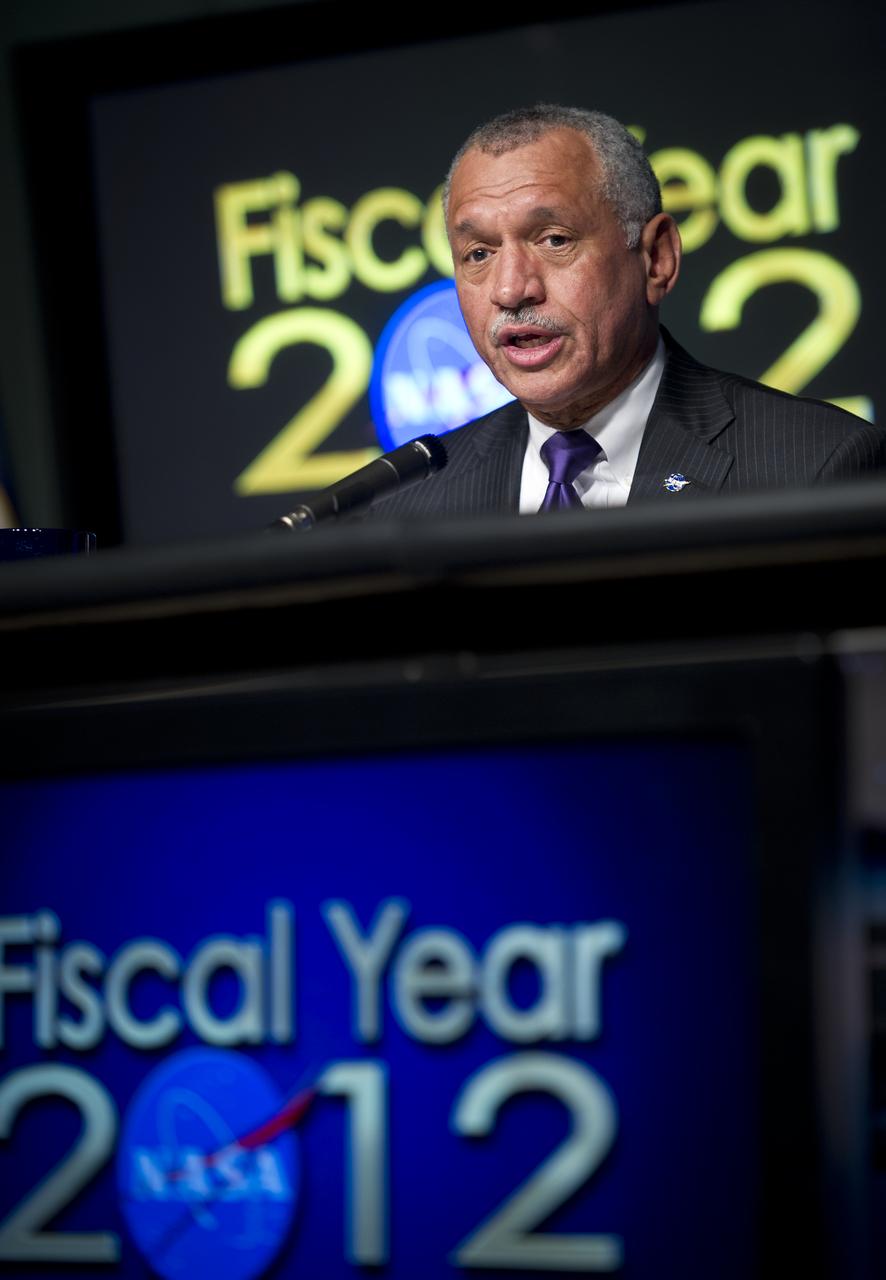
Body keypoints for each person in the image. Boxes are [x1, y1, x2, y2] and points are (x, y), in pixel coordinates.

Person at [369, 103, 886, 519]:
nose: (510, 289)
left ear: (656, 258)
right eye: (478, 254)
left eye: (554, 240)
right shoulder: (408, 502)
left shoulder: (817, 469)